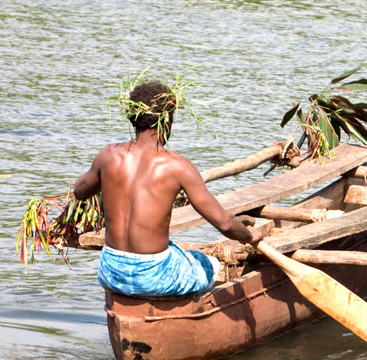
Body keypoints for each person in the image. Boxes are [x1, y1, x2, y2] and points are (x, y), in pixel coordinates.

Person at [73, 81, 263, 296]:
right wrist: (249, 235)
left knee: (177, 252)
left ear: (132, 118)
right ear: (168, 121)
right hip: (153, 276)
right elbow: (226, 224)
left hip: (111, 270)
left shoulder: (108, 155)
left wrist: (103, 175)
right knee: (208, 264)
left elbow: (80, 192)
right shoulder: (177, 166)